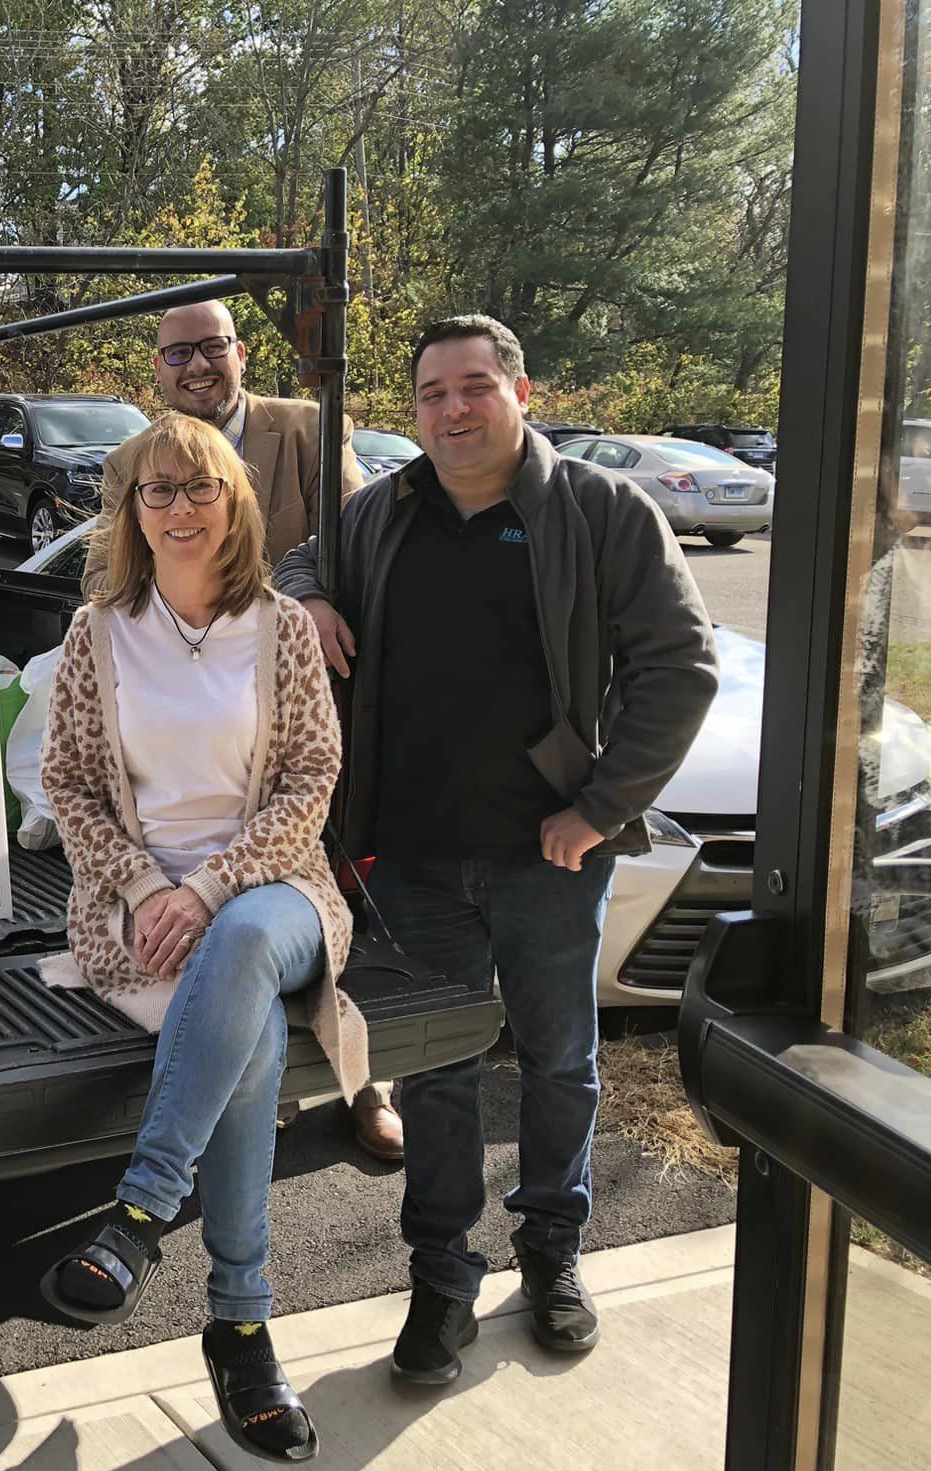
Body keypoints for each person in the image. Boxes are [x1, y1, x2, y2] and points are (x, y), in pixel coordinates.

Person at [275, 315, 718, 1385]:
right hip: (413, 858)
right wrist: (308, 595)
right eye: (430, 393)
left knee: (558, 1063)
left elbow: (678, 666)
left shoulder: (599, 511)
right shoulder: (378, 511)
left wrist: (603, 805)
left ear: (520, 390)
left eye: (474, 386)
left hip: (549, 857)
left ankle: (552, 1255)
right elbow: (293, 559)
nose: (452, 409)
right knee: (432, 1074)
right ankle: (440, 1280)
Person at [37, 412, 371, 1463]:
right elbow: (68, 785)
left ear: (233, 502)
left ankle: (136, 1217)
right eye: (156, 491)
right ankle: (238, 1325)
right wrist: (142, 888)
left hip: (274, 890)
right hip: (134, 911)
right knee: (254, 1042)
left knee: (236, 950)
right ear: (131, 510)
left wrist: (214, 883)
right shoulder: (97, 634)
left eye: (199, 488)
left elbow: (313, 778)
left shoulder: (278, 627)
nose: (179, 508)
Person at [97, 298, 401, 1161]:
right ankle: (244, 1076)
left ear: (239, 352)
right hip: (195, 735)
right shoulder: (132, 461)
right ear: (156, 368)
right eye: (177, 354)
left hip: (301, 721)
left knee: (335, 895)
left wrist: (304, 594)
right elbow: (106, 580)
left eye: (213, 349)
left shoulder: (306, 428)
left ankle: (365, 1083)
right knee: (212, 915)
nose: (196, 367)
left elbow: (361, 545)